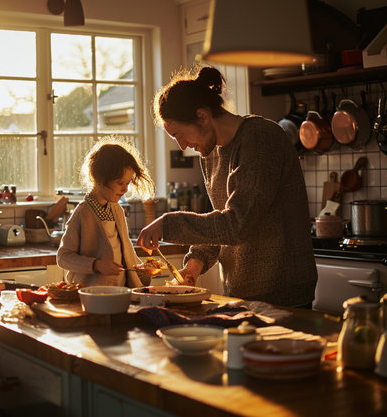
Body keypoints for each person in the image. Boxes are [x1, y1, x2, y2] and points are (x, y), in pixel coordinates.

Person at [137, 66, 317, 307]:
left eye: (180, 134)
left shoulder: (260, 139)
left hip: (282, 293)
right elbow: (219, 224)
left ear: (202, 116)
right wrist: (194, 264)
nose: (181, 146)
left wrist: (168, 223)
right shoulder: (210, 153)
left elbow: (237, 224)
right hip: (239, 292)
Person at [57, 136, 155, 287]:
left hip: (120, 293)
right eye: (120, 183)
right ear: (100, 178)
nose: (125, 189)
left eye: (128, 183)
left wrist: (143, 268)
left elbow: (126, 253)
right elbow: (63, 257)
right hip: (92, 294)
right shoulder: (82, 213)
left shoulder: (117, 210)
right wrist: (96, 265)